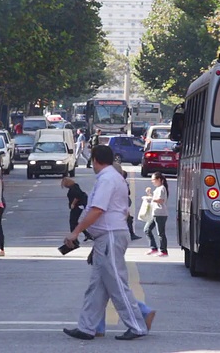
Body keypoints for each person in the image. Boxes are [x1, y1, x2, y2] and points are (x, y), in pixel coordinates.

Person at [62, 145, 148, 341]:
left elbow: (97, 210)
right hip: (107, 236)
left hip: (110, 235)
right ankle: (86, 327)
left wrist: (76, 232)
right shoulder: (110, 177)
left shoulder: (107, 179)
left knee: (117, 284)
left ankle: (136, 326)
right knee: (97, 287)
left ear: (95, 160)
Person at [143, 172, 169, 257]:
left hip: (160, 213)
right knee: (147, 229)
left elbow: (161, 200)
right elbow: (156, 198)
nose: (152, 181)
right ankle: (153, 248)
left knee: (161, 233)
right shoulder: (158, 189)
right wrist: (149, 194)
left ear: (159, 180)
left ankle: (163, 250)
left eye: (153, 180)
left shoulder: (162, 188)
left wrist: (151, 199)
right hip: (155, 213)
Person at [61, 177, 93, 242]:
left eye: (65, 184)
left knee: (72, 222)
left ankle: (74, 239)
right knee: (75, 222)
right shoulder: (74, 186)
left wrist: (73, 204)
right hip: (78, 206)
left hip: (77, 206)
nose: (65, 186)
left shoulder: (74, 188)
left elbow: (77, 196)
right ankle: (86, 234)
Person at [120, 168, 142, 241]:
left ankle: (131, 234)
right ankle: (131, 234)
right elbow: (128, 193)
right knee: (127, 219)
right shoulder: (124, 183)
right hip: (122, 203)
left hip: (120, 203)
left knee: (128, 219)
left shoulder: (116, 182)